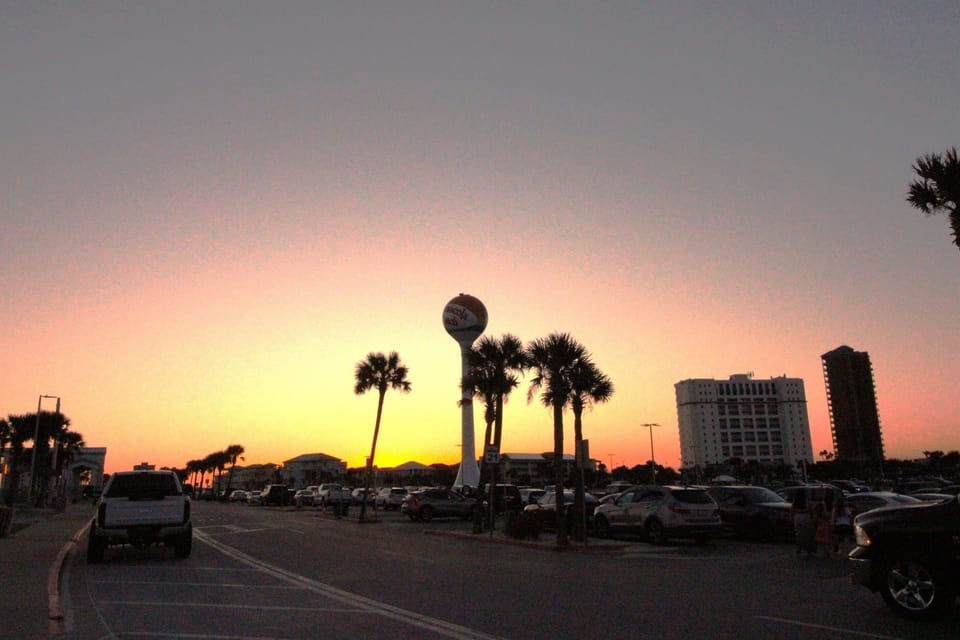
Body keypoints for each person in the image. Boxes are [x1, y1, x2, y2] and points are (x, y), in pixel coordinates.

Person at [791, 489, 815, 555]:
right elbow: (811, 508)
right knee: (807, 533)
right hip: (806, 515)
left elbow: (792, 508)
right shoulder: (806, 499)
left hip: (797, 516)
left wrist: (792, 516)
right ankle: (808, 549)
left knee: (798, 533)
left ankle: (799, 548)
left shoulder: (795, 500)